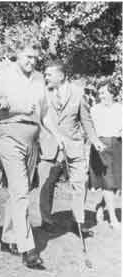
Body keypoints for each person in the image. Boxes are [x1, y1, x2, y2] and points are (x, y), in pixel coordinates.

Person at [0, 37, 47, 269]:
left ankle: (8, 237)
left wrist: (60, 138)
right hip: (8, 134)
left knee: (20, 190)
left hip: (32, 136)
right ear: (17, 54)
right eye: (28, 56)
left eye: (35, 57)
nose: (32, 61)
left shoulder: (39, 79)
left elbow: (45, 113)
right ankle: (28, 248)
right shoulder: (2, 76)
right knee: (20, 191)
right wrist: (4, 108)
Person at [39, 61, 106, 236]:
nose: (46, 77)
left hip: (74, 147)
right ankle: (46, 220)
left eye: (49, 74)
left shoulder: (78, 93)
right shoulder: (43, 93)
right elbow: (40, 118)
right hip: (50, 147)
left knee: (79, 184)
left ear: (61, 76)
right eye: (45, 74)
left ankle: (78, 222)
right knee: (47, 185)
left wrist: (94, 139)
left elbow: (86, 120)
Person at [89, 80, 121, 228]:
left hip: (117, 146)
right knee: (108, 183)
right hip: (101, 148)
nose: (100, 95)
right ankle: (113, 220)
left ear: (112, 93)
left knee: (115, 184)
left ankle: (100, 206)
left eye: (103, 92)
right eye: (99, 93)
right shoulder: (94, 109)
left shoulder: (120, 109)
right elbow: (90, 131)